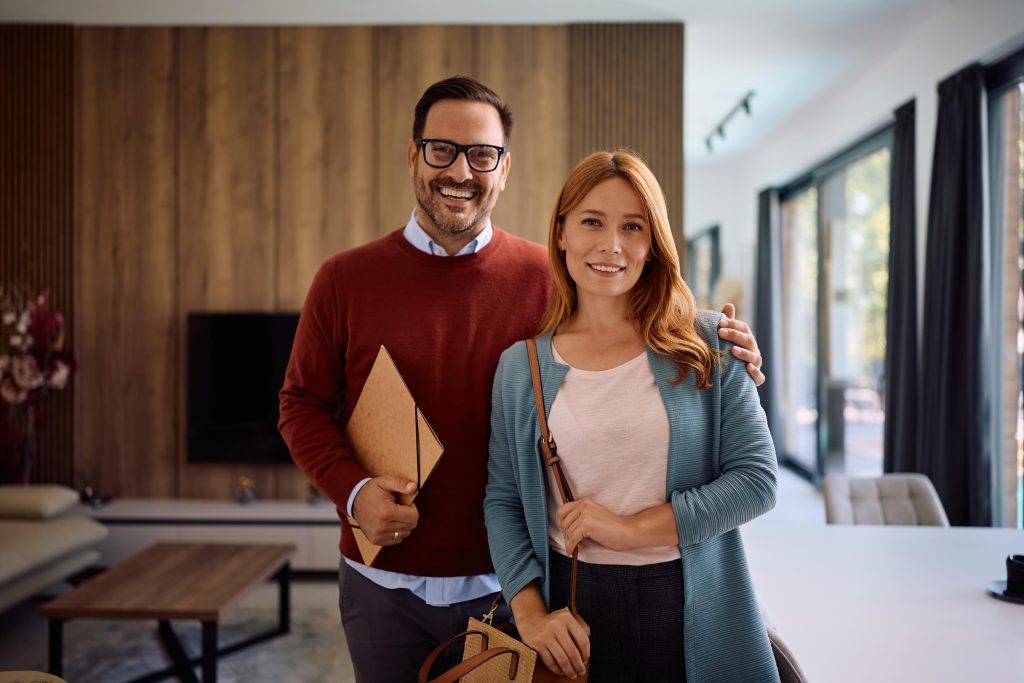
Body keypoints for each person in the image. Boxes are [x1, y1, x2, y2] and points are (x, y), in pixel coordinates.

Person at [278, 77, 766, 683]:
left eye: (482, 154)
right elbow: (300, 403)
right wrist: (352, 493)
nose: (461, 170)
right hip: (384, 581)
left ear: (503, 170)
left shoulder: (558, 275)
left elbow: (637, 331)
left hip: (516, 583)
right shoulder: (343, 279)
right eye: (442, 149)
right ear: (412, 155)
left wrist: (720, 339)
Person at [484, 150, 780, 682]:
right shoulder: (520, 366)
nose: (611, 245)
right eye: (592, 222)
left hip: (688, 599)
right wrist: (530, 617)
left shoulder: (709, 342)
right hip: (569, 605)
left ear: (652, 243)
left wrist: (627, 530)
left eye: (632, 226)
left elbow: (757, 482)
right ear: (561, 234)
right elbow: (503, 500)